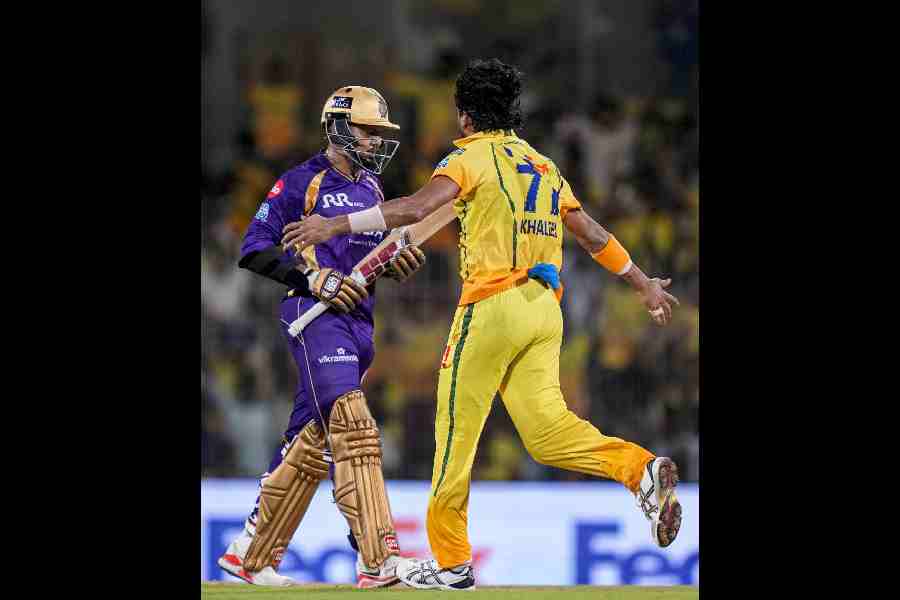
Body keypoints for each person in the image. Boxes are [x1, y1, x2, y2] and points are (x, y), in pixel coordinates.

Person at [283, 60, 683, 591]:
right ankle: (639, 469)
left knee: (454, 435)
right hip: (544, 309)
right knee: (548, 434)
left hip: (491, 306)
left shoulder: (468, 156)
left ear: (465, 116)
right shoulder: (542, 164)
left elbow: (417, 208)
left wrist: (334, 223)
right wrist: (642, 283)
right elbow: (589, 234)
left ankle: (452, 563)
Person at [217, 85, 427, 588]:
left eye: (379, 133)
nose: (376, 141)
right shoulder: (300, 181)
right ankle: (379, 559)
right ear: (337, 127)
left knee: (308, 444)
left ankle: (250, 555)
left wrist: (393, 262)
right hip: (314, 316)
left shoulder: (372, 189)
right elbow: (253, 248)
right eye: (368, 131)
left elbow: (364, 261)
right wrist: (312, 278)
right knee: (354, 427)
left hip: (359, 324)